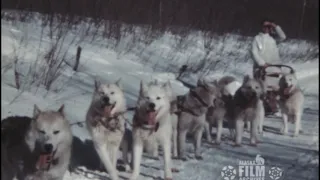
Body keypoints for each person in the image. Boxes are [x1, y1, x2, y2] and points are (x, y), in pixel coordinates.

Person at [251, 19, 287, 116]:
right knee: (262, 88)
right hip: (262, 67)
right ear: (261, 27)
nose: (267, 29)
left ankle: (273, 107)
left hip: (275, 66)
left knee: (274, 88)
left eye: (269, 27)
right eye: (265, 26)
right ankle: (261, 108)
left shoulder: (273, 38)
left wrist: (275, 26)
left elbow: (283, 36)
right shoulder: (257, 38)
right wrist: (262, 63)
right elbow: (254, 53)